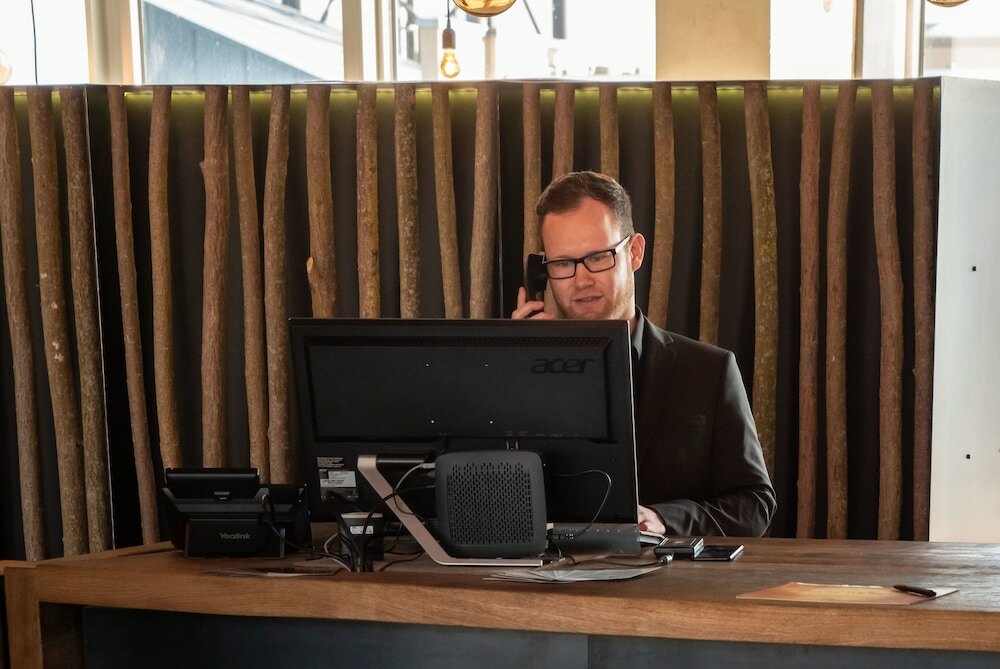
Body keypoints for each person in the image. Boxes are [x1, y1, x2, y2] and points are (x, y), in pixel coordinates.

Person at [512, 171, 776, 537]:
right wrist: (520, 367)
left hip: (669, 587)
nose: (580, 280)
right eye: (563, 264)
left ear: (634, 252)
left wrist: (665, 519)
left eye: (598, 257)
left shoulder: (708, 371)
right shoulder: (521, 375)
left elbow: (755, 503)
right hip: (545, 585)